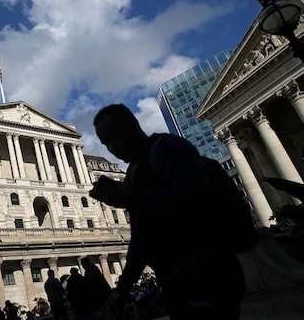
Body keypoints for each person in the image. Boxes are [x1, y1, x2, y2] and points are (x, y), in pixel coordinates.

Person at [90, 104, 245, 320]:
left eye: (114, 137)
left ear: (132, 126)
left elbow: (196, 197)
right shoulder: (134, 172)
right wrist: (122, 288)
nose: (112, 147)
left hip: (208, 271)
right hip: (175, 280)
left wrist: (131, 198)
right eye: (106, 143)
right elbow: (141, 237)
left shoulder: (168, 148)